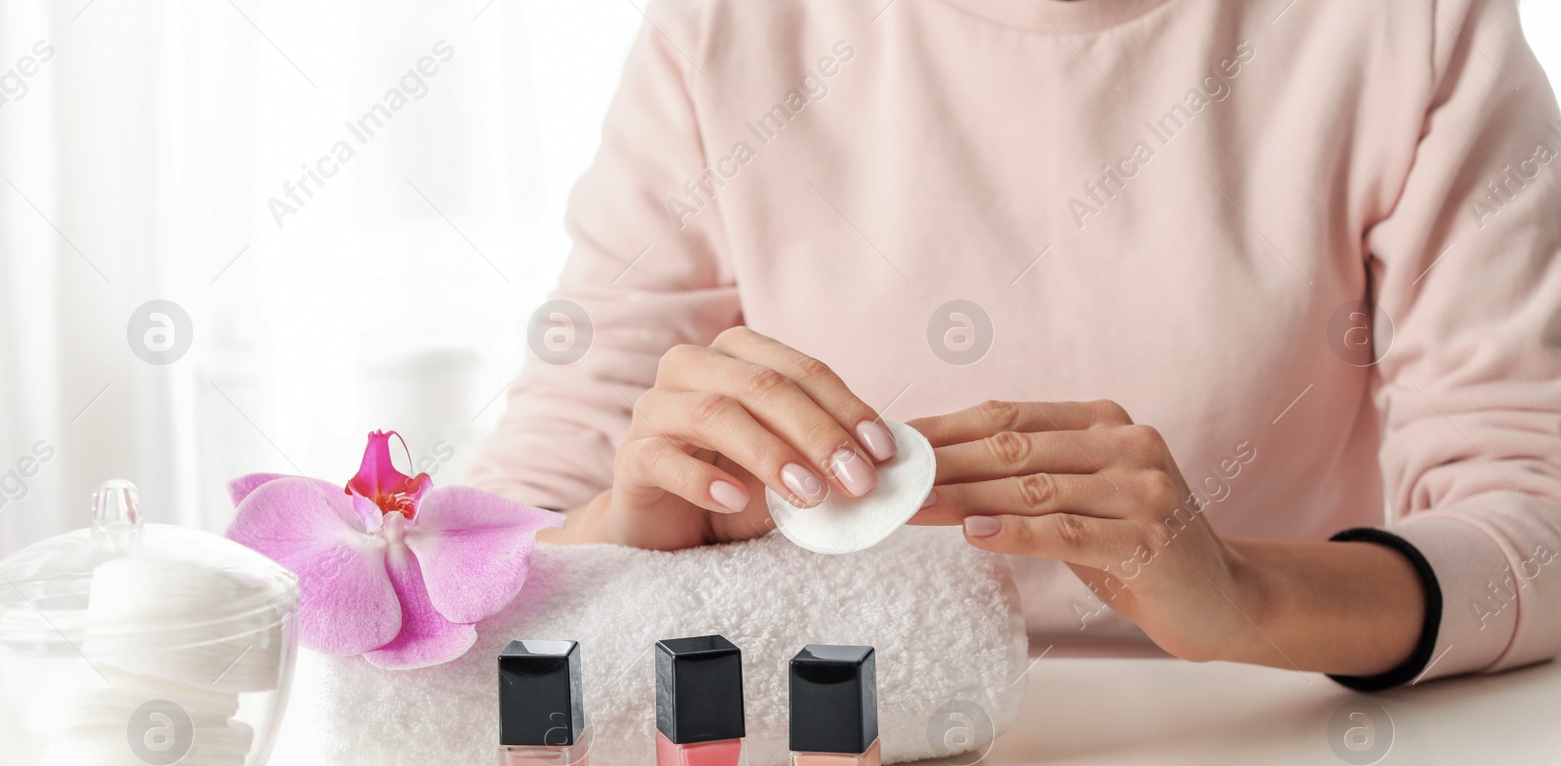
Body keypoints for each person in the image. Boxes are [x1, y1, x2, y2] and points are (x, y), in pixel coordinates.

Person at [466, 0, 1561, 690]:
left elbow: (1536, 515)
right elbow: (483, 549)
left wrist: (1251, 595)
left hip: (1281, 754)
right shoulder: (721, 33)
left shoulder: (1416, 26)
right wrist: (622, 534)